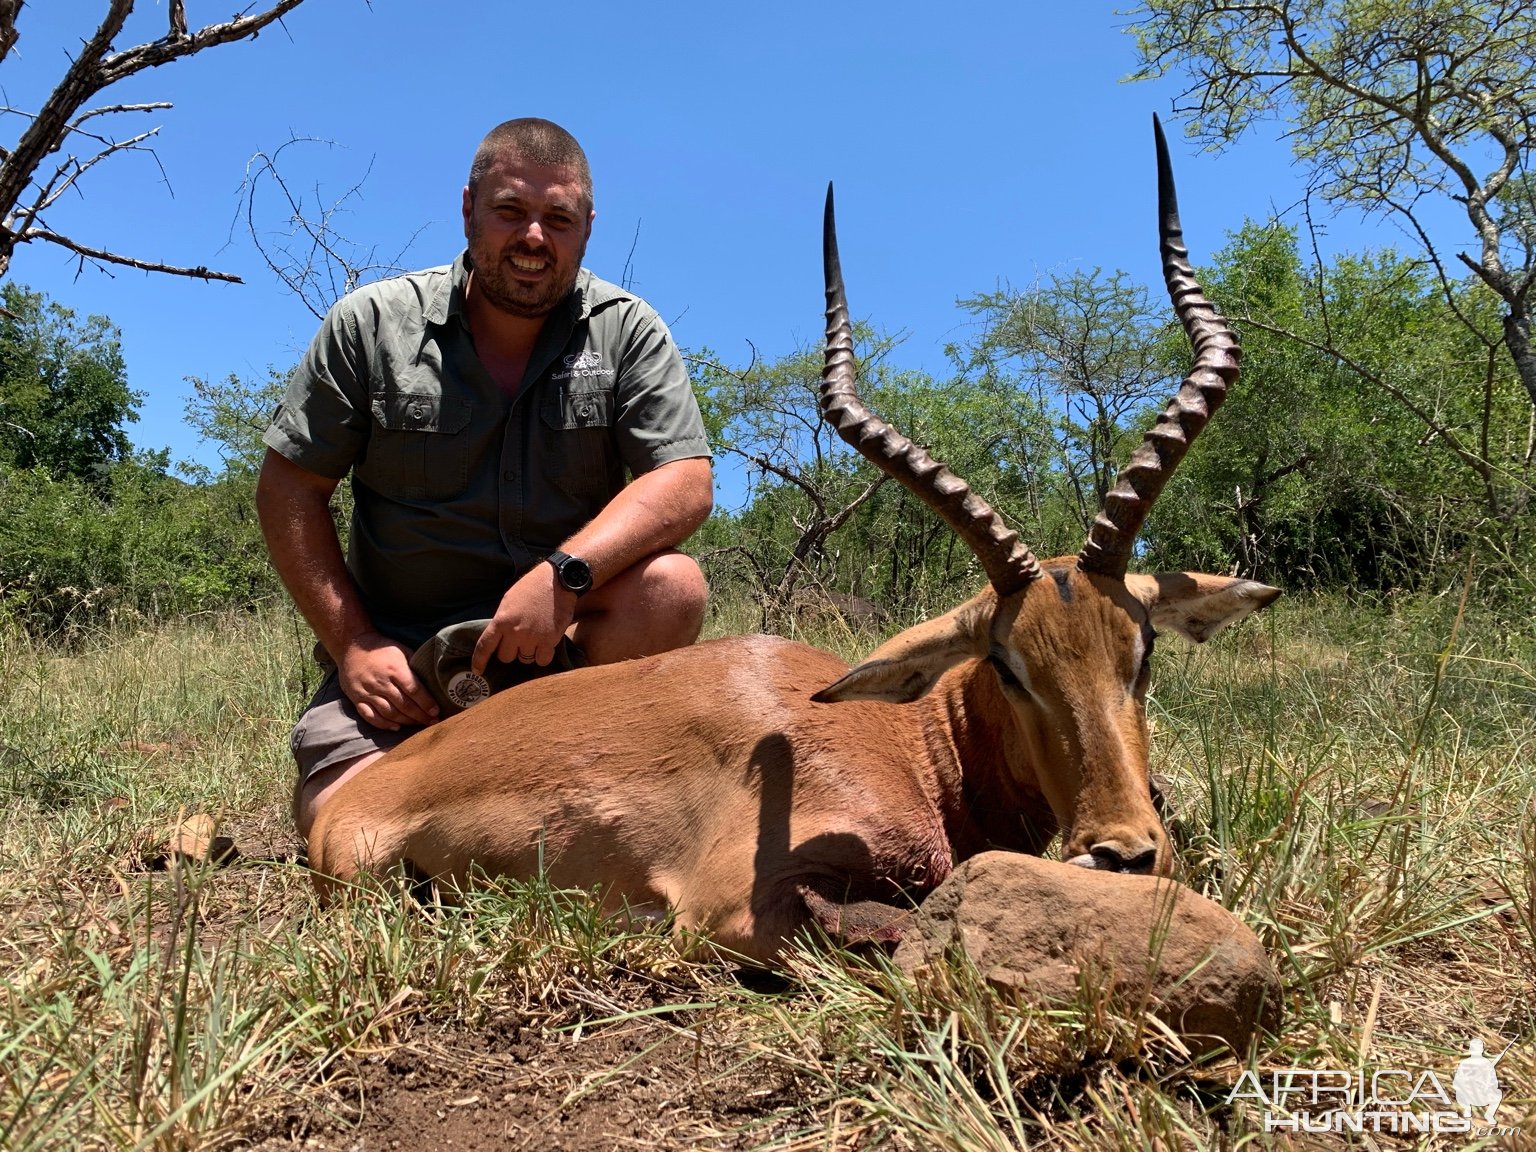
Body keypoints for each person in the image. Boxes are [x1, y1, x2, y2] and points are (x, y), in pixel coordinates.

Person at [256, 118, 713, 840]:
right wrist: (354, 646)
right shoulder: (371, 324)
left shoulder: (628, 331)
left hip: (560, 653)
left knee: (672, 587)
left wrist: (564, 577)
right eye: (510, 211)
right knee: (348, 841)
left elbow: (685, 478)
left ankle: (574, 764)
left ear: (586, 227)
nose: (534, 237)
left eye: (557, 219)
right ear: (468, 208)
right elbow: (289, 490)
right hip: (404, 668)